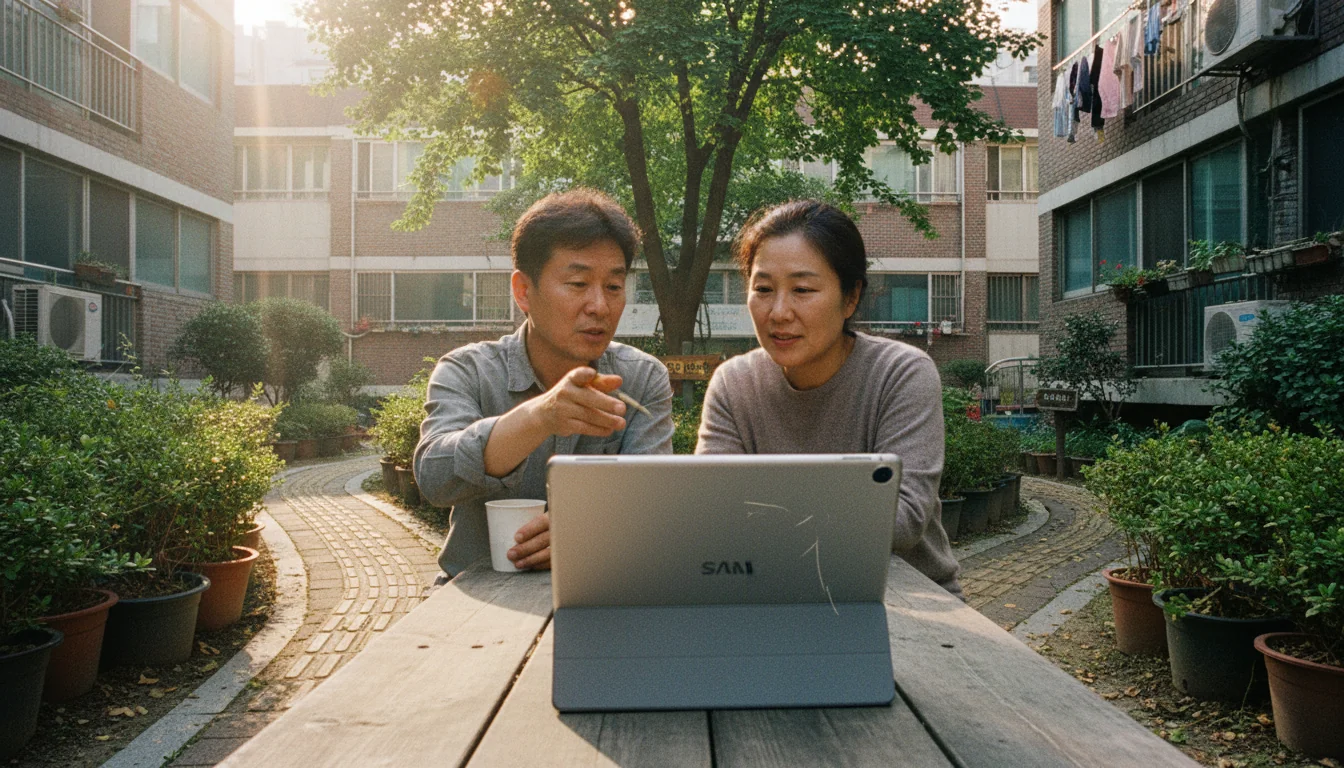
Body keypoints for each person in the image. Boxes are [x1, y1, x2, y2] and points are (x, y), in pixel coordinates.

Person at [695, 200, 961, 596]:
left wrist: (755, 505)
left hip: (906, 596)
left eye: (802, 290)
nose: (779, 312)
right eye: (763, 289)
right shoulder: (734, 384)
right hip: (775, 593)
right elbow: (712, 511)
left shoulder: (901, 373)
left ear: (850, 298)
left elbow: (902, 519)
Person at [415, 189, 675, 576]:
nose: (599, 306)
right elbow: (434, 479)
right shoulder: (467, 369)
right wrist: (540, 416)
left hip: (600, 589)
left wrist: (584, 533)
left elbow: (651, 500)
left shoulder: (640, 378)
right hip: (476, 604)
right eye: (577, 284)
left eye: (614, 287)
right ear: (523, 291)